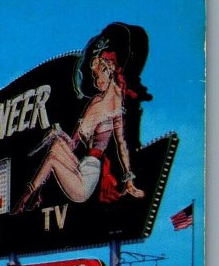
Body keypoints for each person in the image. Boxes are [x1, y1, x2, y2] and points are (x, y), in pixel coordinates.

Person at [12, 32, 146, 214]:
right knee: (56, 145)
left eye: (98, 76)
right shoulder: (95, 102)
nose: (97, 82)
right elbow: (73, 144)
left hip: (87, 179)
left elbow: (122, 144)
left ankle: (28, 198)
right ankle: (29, 196)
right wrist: (58, 133)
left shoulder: (115, 107)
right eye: (94, 76)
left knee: (52, 157)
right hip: (80, 165)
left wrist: (129, 179)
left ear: (108, 71)